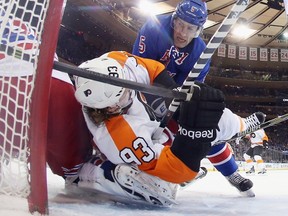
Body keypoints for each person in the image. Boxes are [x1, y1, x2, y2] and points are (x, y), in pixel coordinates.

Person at [73, 51, 265, 206]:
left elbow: (153, 68)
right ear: (111, 107)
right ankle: (98, 173)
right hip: (141, 146)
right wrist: (194, 136)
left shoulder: (116, 62)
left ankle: (241, 124)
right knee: (155, 186)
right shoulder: (116, 135)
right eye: (123, 93)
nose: (128, 90)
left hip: (150, 119)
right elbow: (177, 168)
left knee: (217, 117)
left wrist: (175, 98)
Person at [132, 0, 255, 196]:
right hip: (144, 89)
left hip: (173, 95)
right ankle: (168, 173)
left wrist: (180, 109)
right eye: (180, 24)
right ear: (174, 19)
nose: (182, 32)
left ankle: (231, 172)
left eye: (190, 28)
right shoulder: (153, 27)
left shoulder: (200, 53)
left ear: (198, 29)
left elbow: (189, 93)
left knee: (202, 128)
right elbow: (139, 68)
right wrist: (155, 101)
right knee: (147, 133)